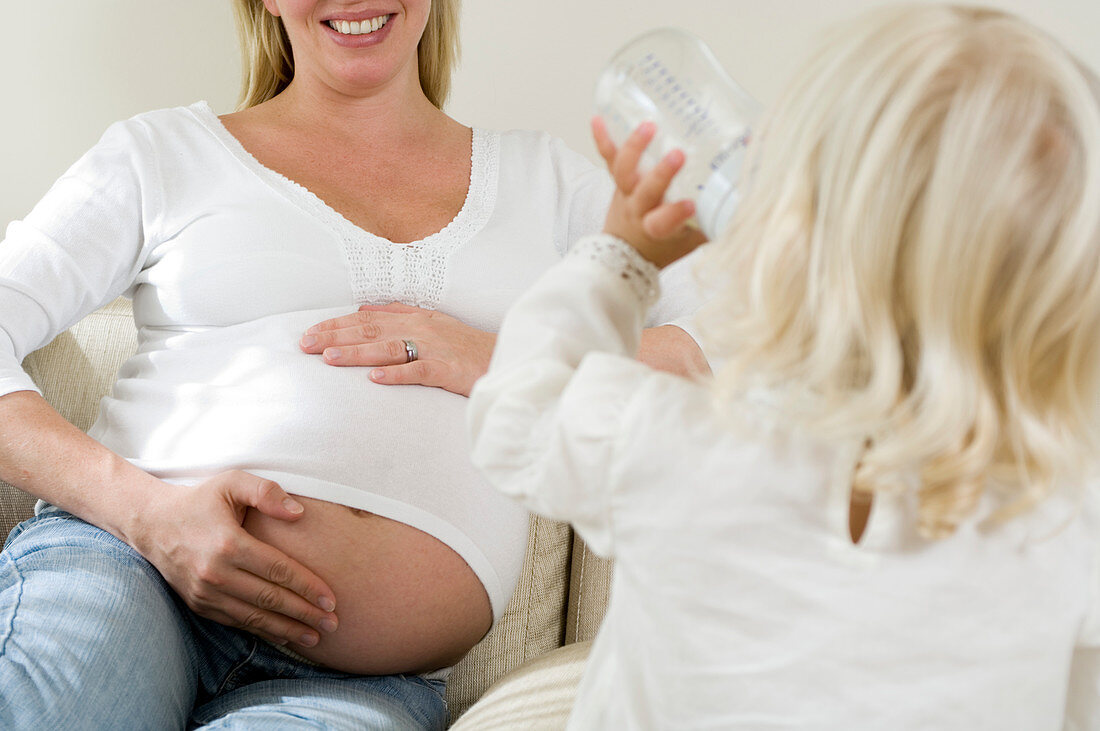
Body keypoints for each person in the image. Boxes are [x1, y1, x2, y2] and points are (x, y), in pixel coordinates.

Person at [0, 0, 706, 728]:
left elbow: (731, 342)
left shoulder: (549, 186)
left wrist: (506, 358)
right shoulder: (163, 154)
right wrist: (146, 516)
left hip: (362, 683)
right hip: (126, 567)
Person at [468, 4, 1100, 728]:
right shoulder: (1067, 520)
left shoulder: (675, 441)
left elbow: (514, 413)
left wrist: (621, 259)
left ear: (792, 231)